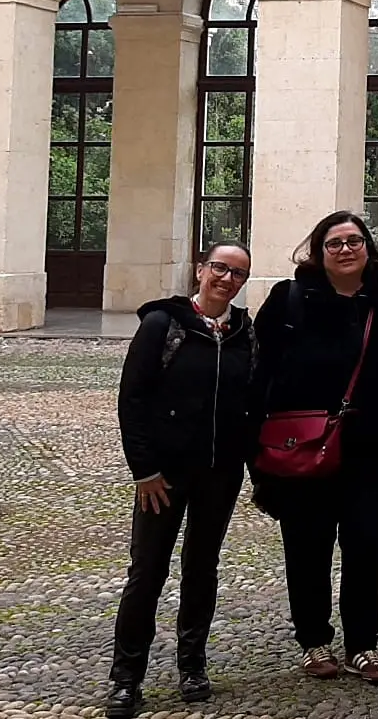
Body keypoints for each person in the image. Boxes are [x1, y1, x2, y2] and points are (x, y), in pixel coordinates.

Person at [251, 211, 378, 684]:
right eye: (335, 242)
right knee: (307, 547)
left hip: (366, 448)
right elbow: (262, 374)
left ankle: (363, 644)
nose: (346, 250)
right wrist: (256, 450)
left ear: (369, 249)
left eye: (355, 241)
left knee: (366, 546)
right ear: (318, 251)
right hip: (303, 446)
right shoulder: (289, 299)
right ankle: (315, 641)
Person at [105, 244, 257, 719]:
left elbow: (250, 404)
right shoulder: (161, 326)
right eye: (219, 268)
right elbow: (132, 400)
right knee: (147, 572)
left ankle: (192, 665)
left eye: (237, 273)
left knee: (202, 568)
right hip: (163, 476)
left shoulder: (243, 333)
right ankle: (127, 678)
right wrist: (144, 470)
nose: (227, 279)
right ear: (200, 270)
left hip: (220, 472)